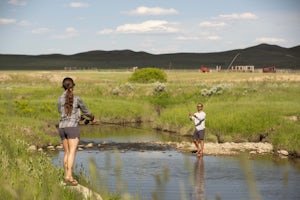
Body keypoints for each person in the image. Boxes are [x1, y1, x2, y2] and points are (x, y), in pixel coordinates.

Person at [57, 77, 95, 186]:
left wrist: (79, 117)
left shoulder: (59, 99)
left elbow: (63, 112)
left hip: (62, 127)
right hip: (72, 128)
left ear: (63, 87)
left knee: (67, 153)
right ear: (72, 86)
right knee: (72, 153)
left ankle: (66, 175)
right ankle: (69, 176)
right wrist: (92, 118)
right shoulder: (77, 99)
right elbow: (86, 112)